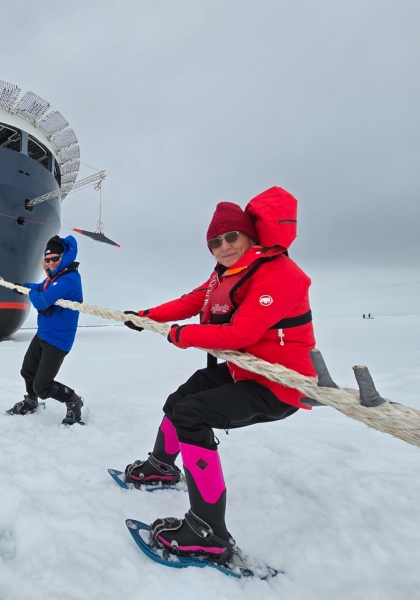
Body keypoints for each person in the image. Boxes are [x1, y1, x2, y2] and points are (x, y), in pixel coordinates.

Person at [122, 187, 316, 565]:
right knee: (179, 401)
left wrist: (182, 334)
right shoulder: (227, 274)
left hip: (280, 386)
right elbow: (190, 301)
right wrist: (146, 316)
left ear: (250, 237)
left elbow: (239, 334)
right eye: (215, 241)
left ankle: (207, 533)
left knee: (192, 414)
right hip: (242, 372)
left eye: (232, 237)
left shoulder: (279, 274)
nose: (224, 246)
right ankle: (161, 468)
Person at [7, 235, 85, 425]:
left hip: (58, 341)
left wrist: (32, 293)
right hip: (43, 335)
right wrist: (23, 287)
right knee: (27, 371)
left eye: (55, 259)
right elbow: (40, 287)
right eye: (47, 259)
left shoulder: (69, 280)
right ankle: (31, 402)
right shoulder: (54, 277)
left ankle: (73, 401)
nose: (50, 263)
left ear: (64, 257)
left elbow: (41, 301)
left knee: (42, 386)